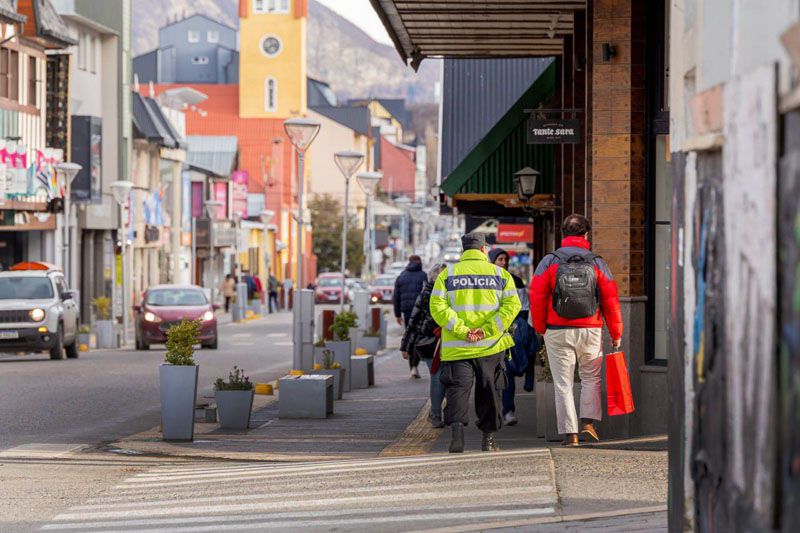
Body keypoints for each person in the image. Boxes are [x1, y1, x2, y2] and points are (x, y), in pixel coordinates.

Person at [530, 214, 623, 447]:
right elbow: (611, 299)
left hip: (558, 329)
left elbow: (537, 297)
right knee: (591, 378)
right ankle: (588, 422)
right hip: (590, 328)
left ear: (563, 234)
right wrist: (616, 333)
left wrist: (541, 328)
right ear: (586, 234)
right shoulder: (597, 262)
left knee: (563, 383)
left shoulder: (549, 261)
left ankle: (570, 434)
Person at [430, 233, 521, 453]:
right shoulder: (500, 275)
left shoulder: (447, 275)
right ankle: (487, 441)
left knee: (458, 390)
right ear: (483, 250)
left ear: (464, 251)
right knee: (489, 391)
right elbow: (512, 306)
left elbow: (437, 307)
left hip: (457, 347)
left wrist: (463, 331)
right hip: (490, 346)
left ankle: (457, 436)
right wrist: (486, 331)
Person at [488, 248, 539, 427]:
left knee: (507, 370)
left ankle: (508, 410)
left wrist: (518, 329)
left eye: (505, 259)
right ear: (492, 261)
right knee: (491, 375)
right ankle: (494, 409)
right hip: (490, 333)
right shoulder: (486, 282)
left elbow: (524, 308)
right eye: (500, 259)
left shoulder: (516, 281)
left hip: (510, 332)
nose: (504, 262)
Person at [401, 263, 447, 428]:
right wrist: (405, 346)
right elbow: (413, 322)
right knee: (438, 376)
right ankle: (435, 414)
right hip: (428, 343)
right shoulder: (427, 294)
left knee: (446, 377)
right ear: (434, 277)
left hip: (445, 342)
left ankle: (437, 411)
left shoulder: (447, 293)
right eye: (443, 275)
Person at [393, 255, 427, 378]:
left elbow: (396, 297)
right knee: (418, 339)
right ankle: (414, 366)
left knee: (409, 338)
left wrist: (397, 314)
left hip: (407, 312)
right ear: (419, 262)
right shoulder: (424, 276)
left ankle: (412, 367)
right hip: (420, 313)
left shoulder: (401, 277)